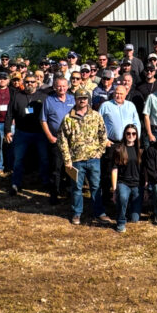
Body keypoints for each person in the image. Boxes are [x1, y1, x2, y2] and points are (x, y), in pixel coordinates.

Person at [59, 90, 110, 225]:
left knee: (96, 186)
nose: (82, 100)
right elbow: (62, 140)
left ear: (88, 100)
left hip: (94, 158)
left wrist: (99, 152)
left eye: (85, 98)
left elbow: (103, 135)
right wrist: (67, 160)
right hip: (76, 160)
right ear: (75, 100)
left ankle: (99, 212)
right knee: (76, 188)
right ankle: (77, 213)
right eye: (79, 98)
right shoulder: (68, 118)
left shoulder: (96, 116)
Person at [5, 75, 49, 197]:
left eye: (32, 82)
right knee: (18, 159)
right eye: (27, 82)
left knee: (44, 159)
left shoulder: (43, 97)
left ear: (37, 83)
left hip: (40, 133)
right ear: (24, 83)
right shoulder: (17, 96)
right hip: (22, 133)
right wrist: (7, 130)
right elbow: (9, 114)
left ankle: (45, 182)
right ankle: (16, 184)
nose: (30, 84)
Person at [41, 75, 75, 204]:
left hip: (71, 141)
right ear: (55, 87)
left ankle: (70, 192)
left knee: (70, 168)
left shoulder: (72, 99)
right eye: (59, 86)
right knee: (56, 168)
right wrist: (50, 137)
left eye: (64, 86)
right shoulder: (49, 100)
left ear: (67, 87)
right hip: (56, 140)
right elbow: (43, 120)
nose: (61, 88)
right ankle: (54, 194)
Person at [109, 125, 143, 232]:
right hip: (123, 182)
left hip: (137, 184)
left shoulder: (140, 150)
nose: (131, 136)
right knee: (123, 197)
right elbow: (114, 170)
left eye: (133, 133)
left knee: (134, 219)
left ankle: (127, 209)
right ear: (124, 134)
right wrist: (114, 190)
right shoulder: (118, 149)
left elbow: (145, 170)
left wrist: (145, 187)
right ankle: (120, 222)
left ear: (136, 135)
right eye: (128, 133)